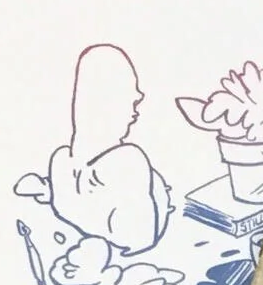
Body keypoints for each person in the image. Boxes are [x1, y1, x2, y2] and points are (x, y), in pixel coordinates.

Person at [40, 43, 172, 254]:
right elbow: (142, 237)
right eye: (130, 97)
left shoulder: (62, 164)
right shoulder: (127, 160)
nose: (136, 108)